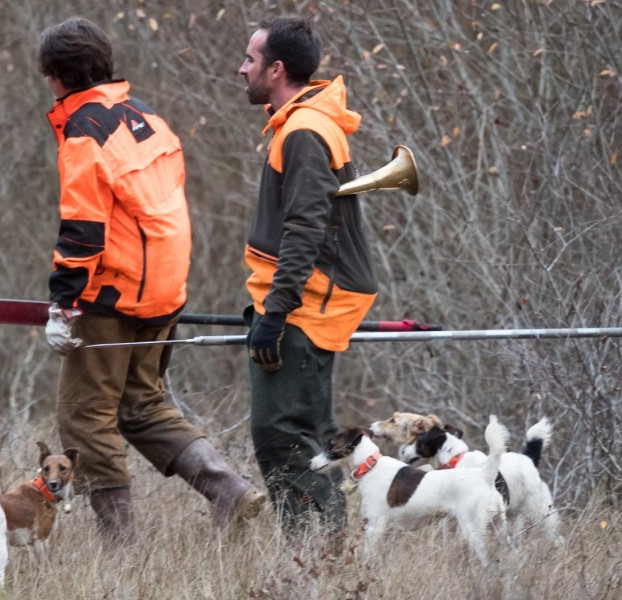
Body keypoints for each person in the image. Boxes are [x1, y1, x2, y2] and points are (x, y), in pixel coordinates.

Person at [37, 16, 266, 542]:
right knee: (142, 405)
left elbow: (83, 226)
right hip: (165, 291)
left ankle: (120, 550)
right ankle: (228, 488)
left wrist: (64, 302)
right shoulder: (148, 118)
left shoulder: (83, 131)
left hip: (111, 298)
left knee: (84, 418)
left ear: (55, 77)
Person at [237, 16, 378, 531]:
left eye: (250, 60)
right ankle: (328, 558)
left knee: (282, 435)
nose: (241, 68)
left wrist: (276, 312)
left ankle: (315, 559)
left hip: (306, 305)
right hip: (302, 301)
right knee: (311, 434)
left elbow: (306, 228)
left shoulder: (303, 131)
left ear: (275, 69)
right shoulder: (302, 123)